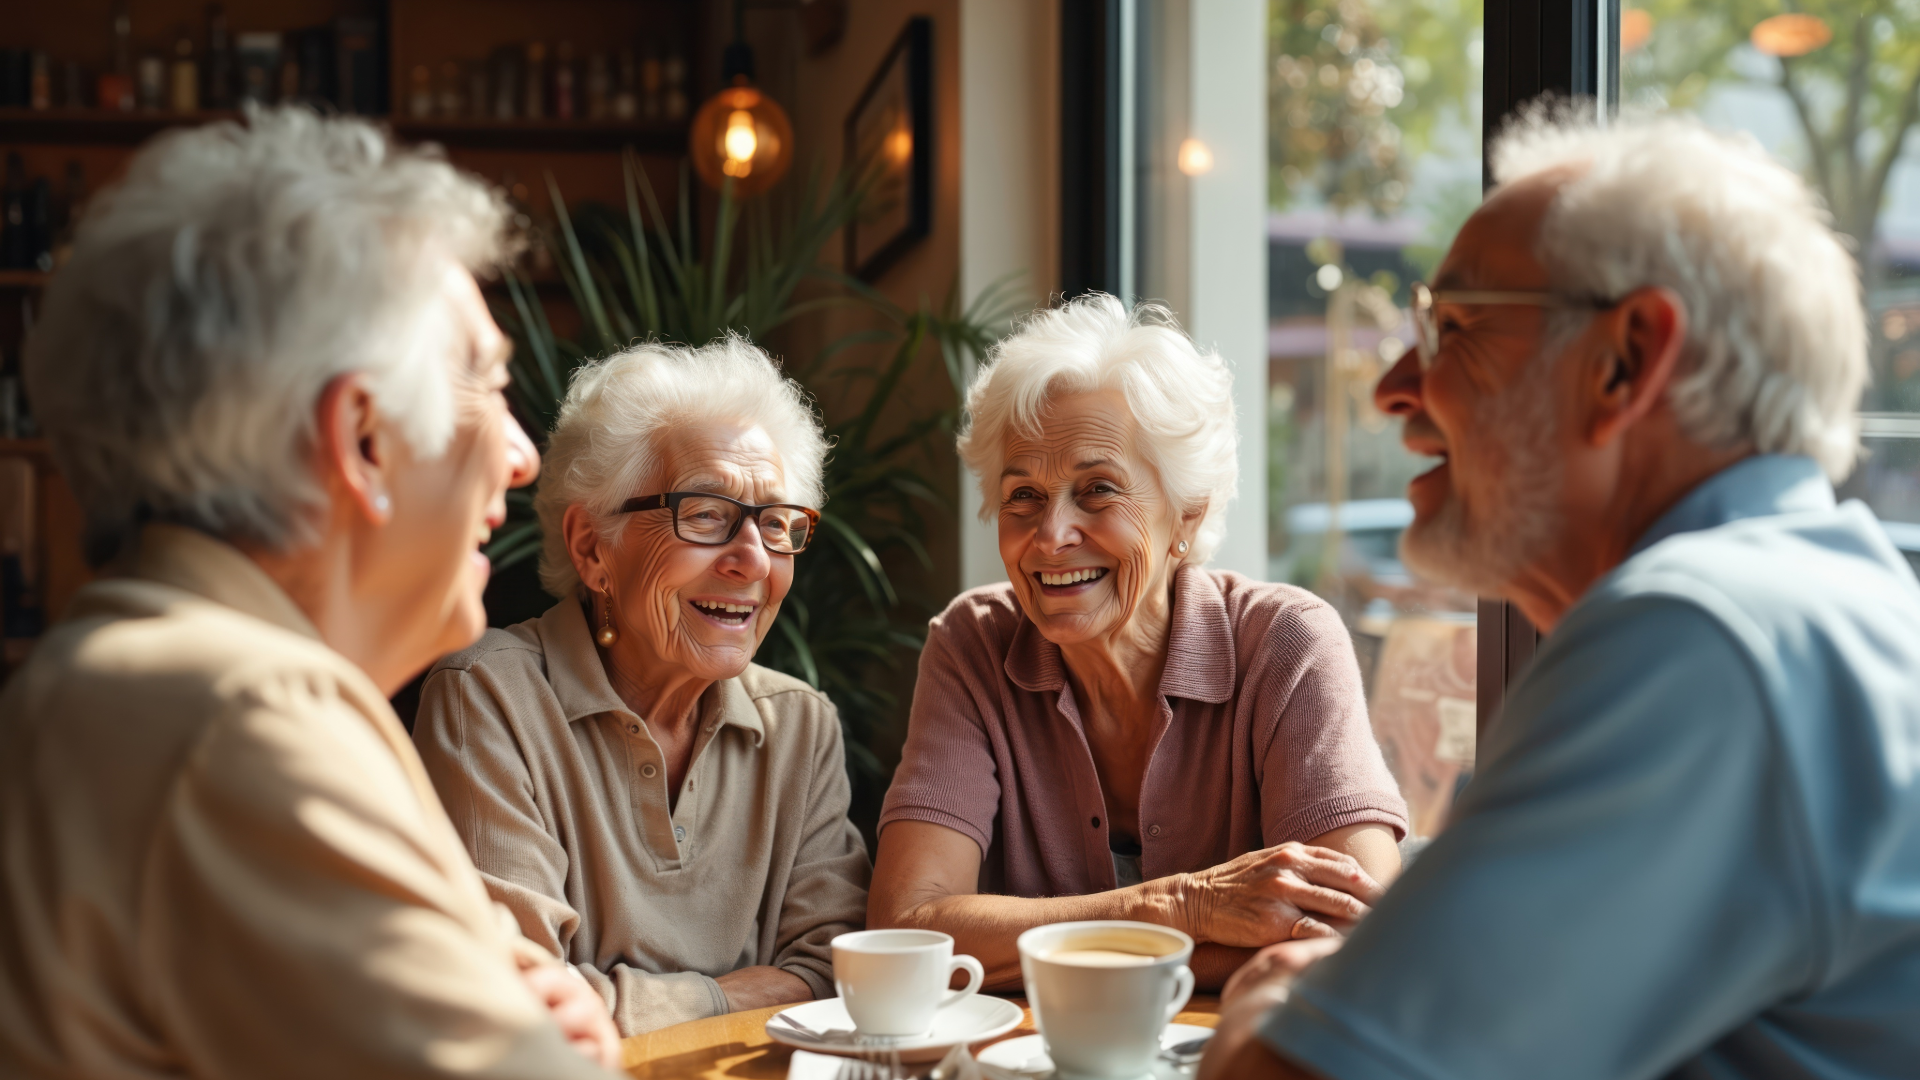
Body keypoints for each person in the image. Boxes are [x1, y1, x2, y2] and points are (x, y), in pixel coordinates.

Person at [1201, 109, 1920, 1080]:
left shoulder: (1699, 635)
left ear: (1623, 362)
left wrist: (1277, 1001)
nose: (1395, 386)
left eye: (1453, 328)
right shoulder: (1816, 600)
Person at [0, 109, 623, 1078]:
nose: (523, 454)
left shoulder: (125, 677)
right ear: (364, 441)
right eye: (489, 387)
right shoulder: (248, 715)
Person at [869, 294, 1410, 990]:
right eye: (1022, 496)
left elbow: (1357, 939)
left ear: (1187, 512)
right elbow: (905, 934)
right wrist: (1181, 908)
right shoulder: (972, 646)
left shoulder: (1288, 643)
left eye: (1097, 490)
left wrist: (1024, 944)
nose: (1050, 535)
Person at [411, 339, 871, 1036]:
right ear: (593, 548)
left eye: (776, 524)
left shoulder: (800, 728)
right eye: (708, 514)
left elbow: (839, 974)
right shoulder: (488, 697)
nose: (752, 560)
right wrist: (732, 996)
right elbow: (516, 999)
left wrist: (609, 1000)